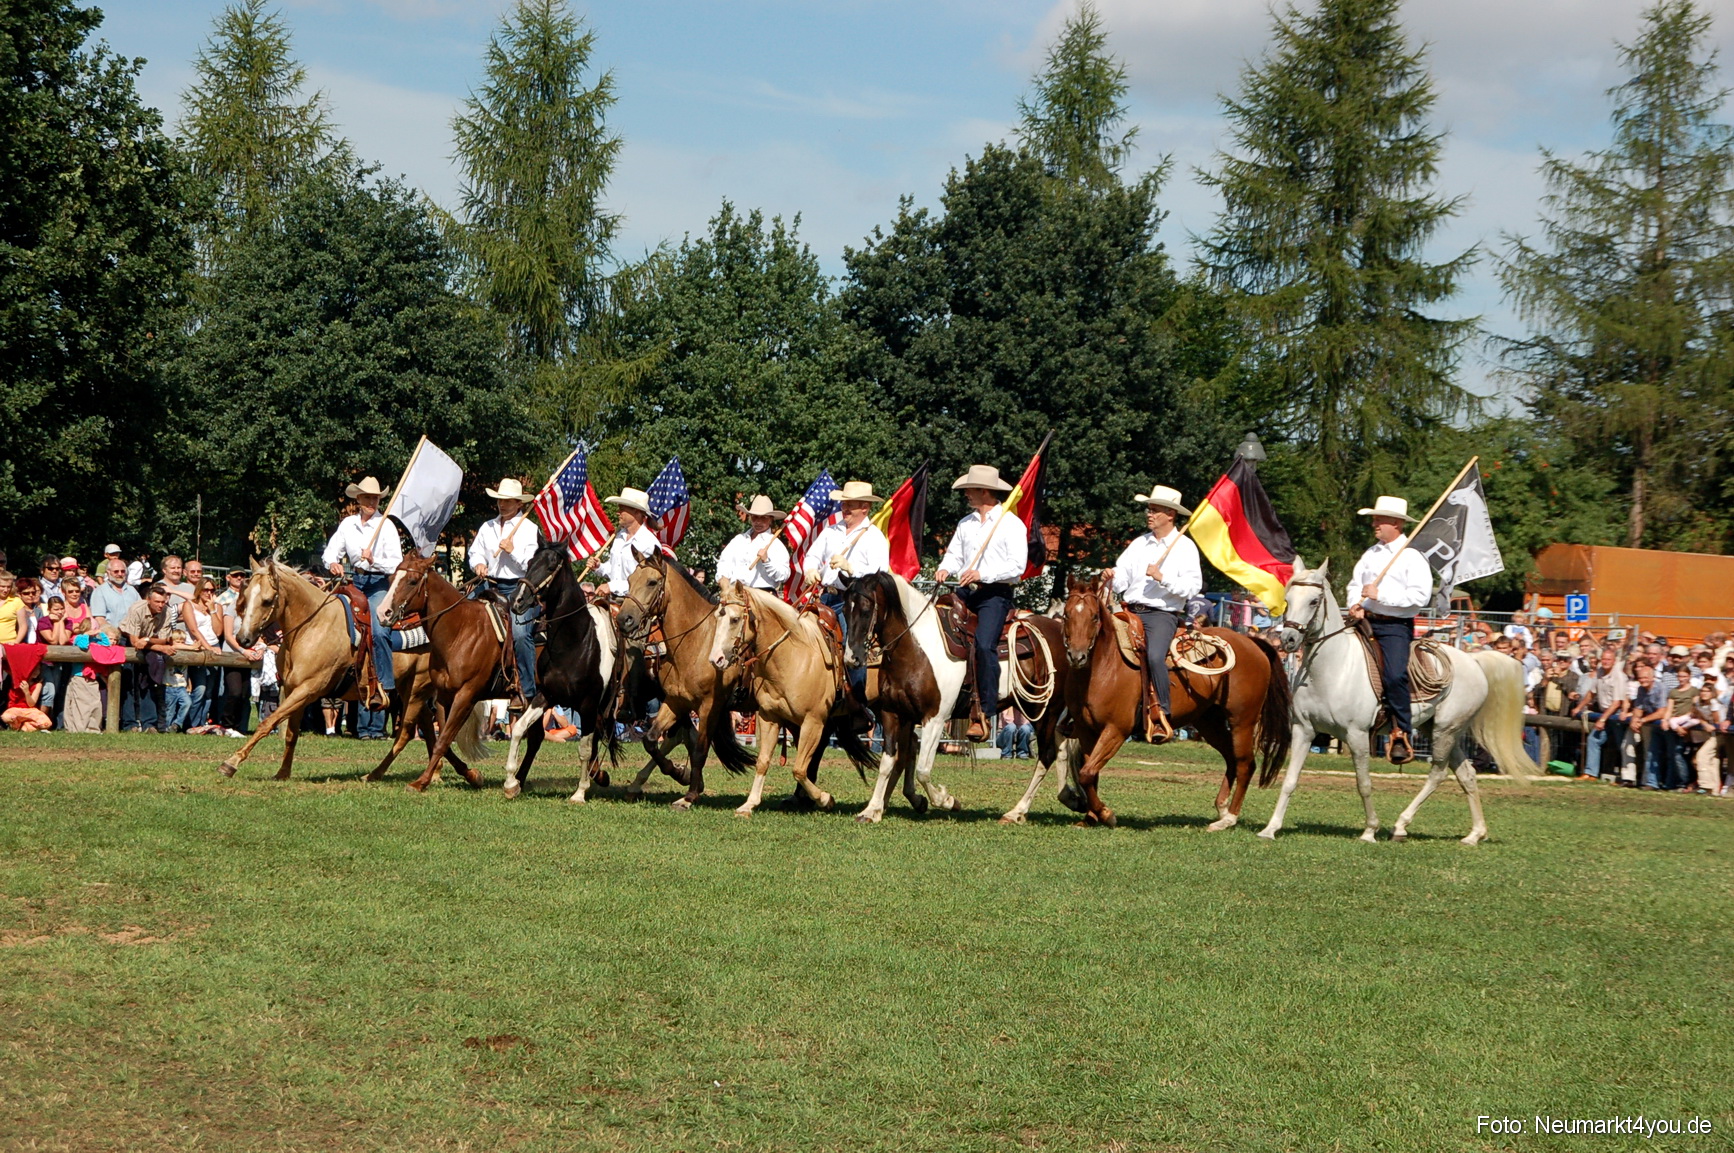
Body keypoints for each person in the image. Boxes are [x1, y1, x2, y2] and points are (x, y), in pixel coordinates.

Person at [934, 466, 1027, 740]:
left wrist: (982, 574)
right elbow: (953, 554)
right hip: (966, 591)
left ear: (984, 491)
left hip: (995, 594)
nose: (966, 494)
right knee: (933, 624)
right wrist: (944, 568)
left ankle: (984, 710)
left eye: (969, 489)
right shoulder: (966, 523)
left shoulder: (1011, 524)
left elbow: (1017, 566)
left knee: (985, 645)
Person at [1345, 495, 1433, 765]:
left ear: (1396, 523)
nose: (1374, 524)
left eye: (1379, 519)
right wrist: (1355, 604)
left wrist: (1380, 595)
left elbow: (1420, 597)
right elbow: (1354, 584)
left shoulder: (1412, 557)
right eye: (1374, 519)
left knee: (1394, 675)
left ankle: (1401, 732)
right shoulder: (1370, 554)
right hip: (1365, 620)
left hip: (1395, 626)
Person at [1111, 484, 1202, 744]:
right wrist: (1111, 577)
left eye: (1154, 510)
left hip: (1161, 614)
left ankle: (1162, 712)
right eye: (1149, 510)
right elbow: (1122, 577)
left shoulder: (1184, 547)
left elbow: (1193, 587)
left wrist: (1163, 577)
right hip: (1129, 611)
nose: (1149, 514)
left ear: (1170, 515)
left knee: (1153, 656)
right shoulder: (1139, 543)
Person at [322, 475, 401, 739]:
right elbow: (330, 551)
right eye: (366, 497)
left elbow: (396, 563)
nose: (371, 501)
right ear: (358, 499)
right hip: (354, 581)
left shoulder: (386, 525)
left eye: (375, 498)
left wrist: (374, 560)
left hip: (378, 584)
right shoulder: (347, 524)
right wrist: (333, 563)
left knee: (377, 632)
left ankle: (384, 688)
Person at [468, 477, 542, 704]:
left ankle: (526, 689)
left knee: (520, 633)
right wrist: (478, 564)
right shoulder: (487, 526)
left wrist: (512, 551)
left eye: (508, 500)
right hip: (489, 584)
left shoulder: (529, 529)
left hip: (519, 588)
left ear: (519, 503)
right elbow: (475, 552)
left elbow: (533, 566)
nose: (502, 504)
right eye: (500, 500)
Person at [120, 584, 175, 732]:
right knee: (129, 682)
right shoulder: (137, 609)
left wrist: (148, 640)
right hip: (127, 640)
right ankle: (129, 724)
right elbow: (134, 641)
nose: (160, 605)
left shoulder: (167, 612)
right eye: (157, 602)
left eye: (163, 602)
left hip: (149, 641)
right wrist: (160, 647)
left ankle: (149, 724)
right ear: (148, 600)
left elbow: (164, 639)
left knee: (148, 681)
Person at [1572, 647, 1630, 780]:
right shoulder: (1599, 671)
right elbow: (1591, 693)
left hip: (1617, 715)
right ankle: (1591, 773)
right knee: (1593, 740)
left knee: (1622, 745)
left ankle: (1627, 778)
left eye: (1609, 659)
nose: (1606, 662)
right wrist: (1579, 707)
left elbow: (1617, 703)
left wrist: (1602, 719)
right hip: (1605, 712)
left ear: (1614, 661)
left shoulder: (1619, 676)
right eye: (1604, 659)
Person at [597, 487, 664, 599]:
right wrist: (599, 567)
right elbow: (614, 569)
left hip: (635, 603)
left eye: (622, 509)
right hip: (612, 599)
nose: (618, 512)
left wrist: (612, 586)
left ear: (636, 512)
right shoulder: (619, 536)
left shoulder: (649, 543)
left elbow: (646, 581)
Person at [715, 495, 791, 590]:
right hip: (735, 592)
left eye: (763, 518)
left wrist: (766, 561)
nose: (758, 521)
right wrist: (723, 579)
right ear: (750, 517)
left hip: (762, 594)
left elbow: (784, 575)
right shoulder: (738, 540)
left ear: (771, 519)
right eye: (755, 517)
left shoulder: (776, 545)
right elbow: (724, 563)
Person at [182, 578, 225, 733]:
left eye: (212, 590)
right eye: (206, 590)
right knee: (200, 688)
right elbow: (193, 629)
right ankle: (192, 723)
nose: (209, 593)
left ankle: (202, 723)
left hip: (214, 645)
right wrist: (208, 648)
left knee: (210, 691)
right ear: (199, 590)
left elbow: (218, 631)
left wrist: (212, 610)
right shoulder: (189, 605)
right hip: (197, 647)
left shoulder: (217, 607)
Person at [0, 569, 20, 644]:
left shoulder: (16, 601)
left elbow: (23, 626)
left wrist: (16, 642)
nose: (6, 590)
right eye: (2, 586)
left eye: (8, 587)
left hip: (9, 643)